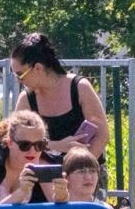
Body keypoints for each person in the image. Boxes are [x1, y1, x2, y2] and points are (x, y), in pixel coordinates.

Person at [9, 33, 109, 162]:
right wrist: (56, 145)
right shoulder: (26, 99)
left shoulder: (80, 87)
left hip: (87, 173)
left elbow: (102, 135)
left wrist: (80, 170)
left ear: (38, 68)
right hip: (45, 178)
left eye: (20, 75)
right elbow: (17, 142)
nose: (18, 81)